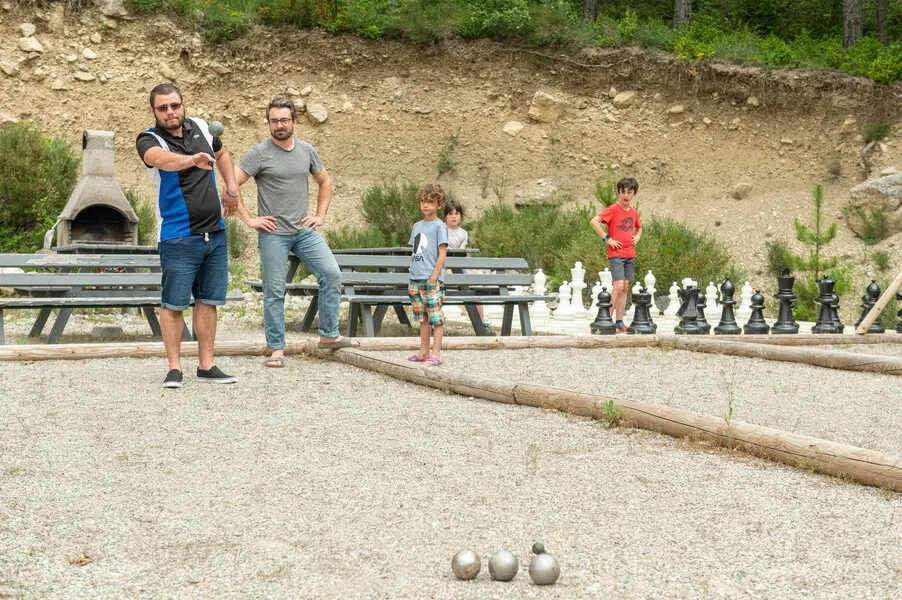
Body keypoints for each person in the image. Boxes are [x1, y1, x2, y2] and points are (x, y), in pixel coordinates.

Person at [233, 98, 356, 368]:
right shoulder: (259, 153)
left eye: (284, 120)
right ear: (269, 123)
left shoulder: (307, 151)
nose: (279, 125)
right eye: (274, 120)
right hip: (273, 233)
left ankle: (328, 336)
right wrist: (249, 219)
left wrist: (321, 215)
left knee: (332, 274)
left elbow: (325, 181)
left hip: (303, 230)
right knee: (275, 290)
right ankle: (276, 347)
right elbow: (232, 183)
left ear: (294, 122)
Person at [136, 83, 240, 388]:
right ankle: (174, 368)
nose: (171, 112)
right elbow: (159, 160)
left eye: (175, 106)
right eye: (163, 108)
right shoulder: (149, 139)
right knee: (174, 304)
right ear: (153, 111)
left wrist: (231, 188)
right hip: (178, 235)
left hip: (215, 232)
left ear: (183, 105)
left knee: (208, 301)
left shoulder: (203, 128)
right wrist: (190, 160)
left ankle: (206, 365)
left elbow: (222, 153)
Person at [589, 177, 642, 334]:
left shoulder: (634, 213)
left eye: (629, 192)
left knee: (625, 288)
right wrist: (607, 239)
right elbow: (594, 221)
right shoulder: (613, 209)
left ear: (634, 194)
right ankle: (607, 320)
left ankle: (619, 322)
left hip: (629, 254)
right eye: (623, 192)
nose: (626, 195)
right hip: (617, 254)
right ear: (619, 192)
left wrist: (638, 236)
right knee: (618, 286)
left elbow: (639, 228)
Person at [407, 184, 449, 366]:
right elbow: (416, 251)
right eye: (423, 201)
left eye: (430, 202)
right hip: (415, 278)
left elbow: (442, 253)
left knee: (435, 317)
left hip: (431, 279)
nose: (426, 205)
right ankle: (423, 351)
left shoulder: (440, 226)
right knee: (422, 318)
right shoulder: (417, 226)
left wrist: (434, 276)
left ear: (439, 205)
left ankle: (436, 353)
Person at [443, 199, 487, 328]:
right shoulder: (440, 229)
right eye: (450, 214)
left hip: (457, 268)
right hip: (442, 267)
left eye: (456, 213)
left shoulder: (463, 234)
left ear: (461, 215)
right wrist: (446, 268)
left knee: (475, 290)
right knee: (437, 290)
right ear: (445, 216)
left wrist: (454, 268)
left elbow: (460, 254)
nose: (454, 216)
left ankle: (482, 322)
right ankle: (436, 320)